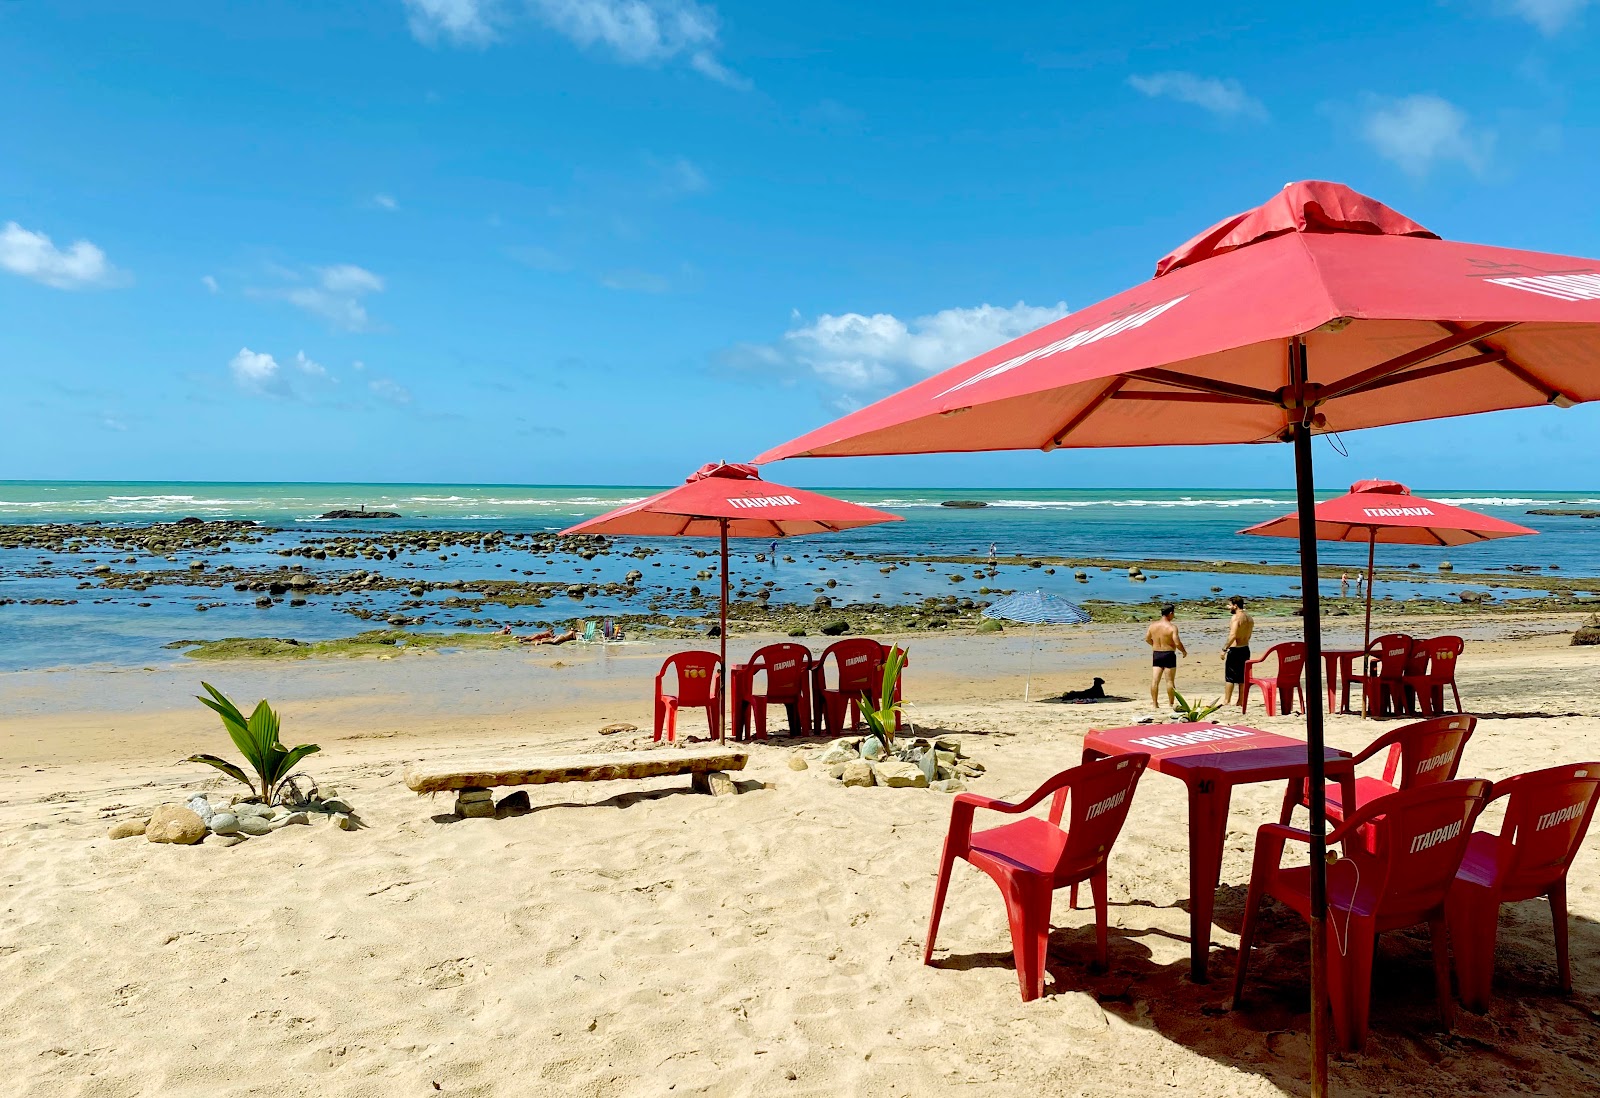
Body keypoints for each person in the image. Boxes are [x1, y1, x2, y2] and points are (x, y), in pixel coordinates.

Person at [1144, 604, 1187, 710]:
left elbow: (1147, 639)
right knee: (1170, 681)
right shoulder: (1172, 627)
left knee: (1155, 680)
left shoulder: (1153, 625)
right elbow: (1177, 642)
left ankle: (1155, 703)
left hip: (1157, 654)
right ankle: (1171, 703)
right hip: (1168, 654)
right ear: (1171, 613)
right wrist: (1183, 651)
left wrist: (1154, 645)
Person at [1220, 595, 1255, 706]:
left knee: (1230, 677)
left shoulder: (1235, 618)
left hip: (1235, 650)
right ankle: (1240, 700)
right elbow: (1248, 634)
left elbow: (1233, 635)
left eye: (1230, 605)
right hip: (1245, 648)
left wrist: (1224, 649)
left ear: (1235, 606)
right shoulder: (1249, 618)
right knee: (1242, 677)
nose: (1228, 607)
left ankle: (1227, 700)